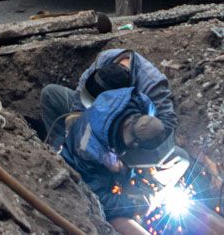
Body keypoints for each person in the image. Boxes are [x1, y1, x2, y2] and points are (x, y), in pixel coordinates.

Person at [59, 87, 166, 230]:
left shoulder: (135, 101)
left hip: (97, 130)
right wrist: (131, 205)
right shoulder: (90, 152)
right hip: (80, 166)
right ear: (131, 144)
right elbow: (95, 198)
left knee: (180, 158)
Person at [40, 49, 177, 149]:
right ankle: (59, 152)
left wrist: (133, 134)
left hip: (127, 130)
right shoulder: (104, 60)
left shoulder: (151, 84)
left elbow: (168, 122)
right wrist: (77, 113)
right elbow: (81, 89)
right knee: (50, 94)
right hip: (94, 118)